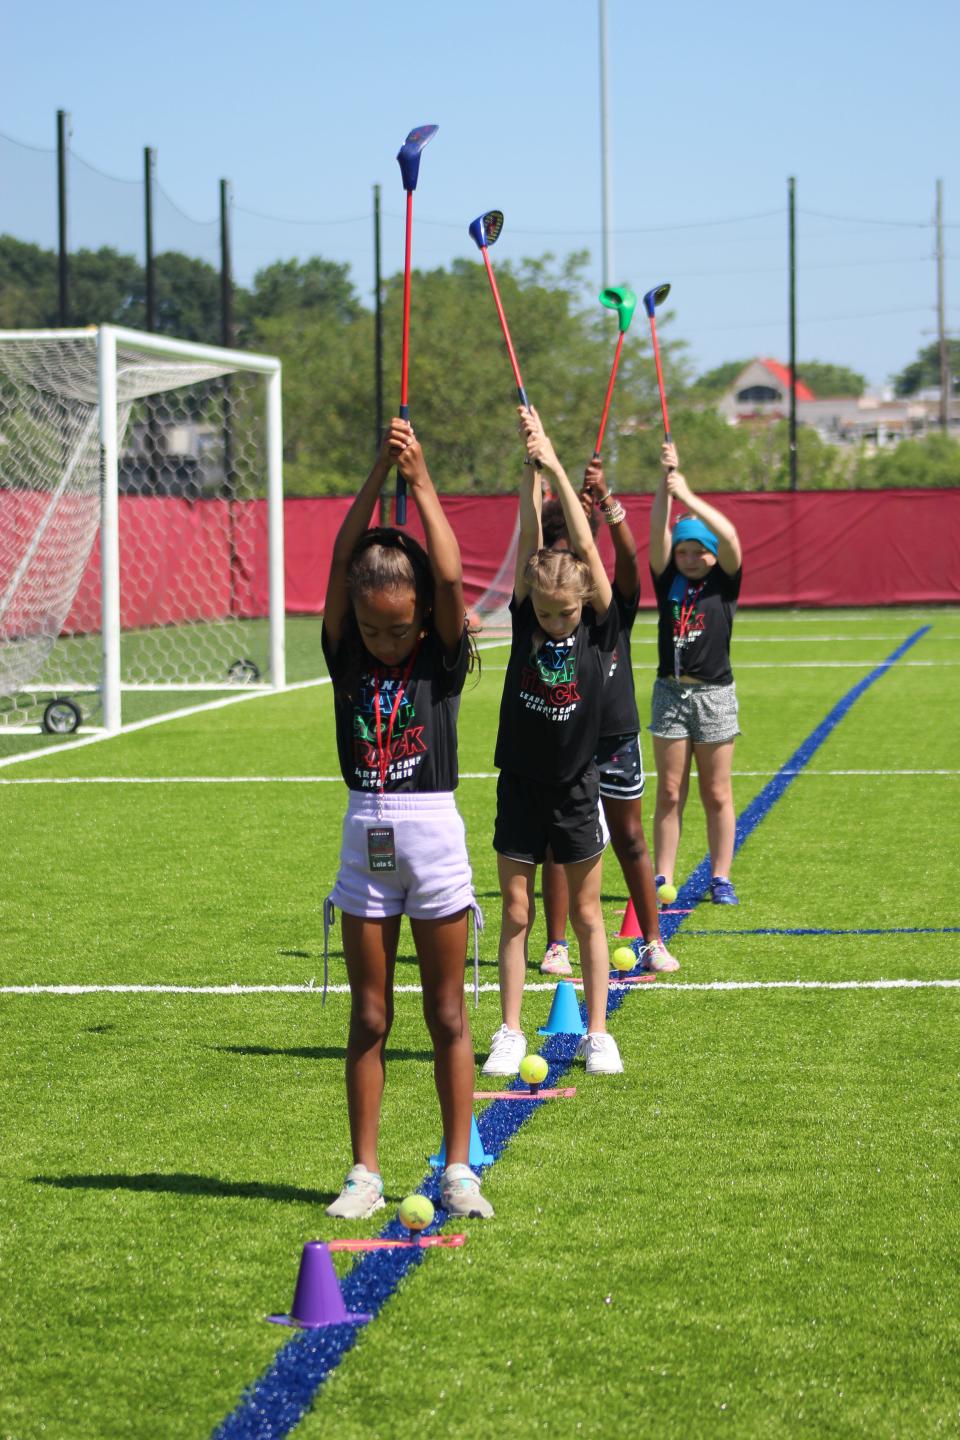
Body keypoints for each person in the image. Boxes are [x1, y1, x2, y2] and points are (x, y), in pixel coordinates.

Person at [321, 418, 493, 1220]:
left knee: (449, 1010)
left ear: (423, 621)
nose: (384, 643)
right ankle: (363, 1172)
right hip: (365, 839)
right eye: (370, 628)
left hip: (433, 836)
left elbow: (454, 580)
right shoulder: (347, 654)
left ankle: (459, 1170)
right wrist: (374, 473)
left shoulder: (440, 657)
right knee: (370, 1011)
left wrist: (420, 480)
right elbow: (338, 562)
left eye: (398, 629)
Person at [483, 407, 624, 1078]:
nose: (558, 620)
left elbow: (591, 558)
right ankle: (509, 1030)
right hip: (520, 780)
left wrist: (560, 469)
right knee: (515, 909)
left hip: (576, 787)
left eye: (565, 612)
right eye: (547, 613)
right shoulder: (524, 614)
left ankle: (597, 1032)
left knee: (589, 913)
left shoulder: (597, 623)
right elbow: (528, 535)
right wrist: (528, 469)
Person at [538, 462, 679, 977]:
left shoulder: (614, 606)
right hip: (564, 741)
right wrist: (537, 484)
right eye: (552, 559)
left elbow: (624, 558)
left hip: (616, 738)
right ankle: (557, 945)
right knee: (558, 844)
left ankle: (653, 940)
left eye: (571, 557)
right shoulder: (542, 615)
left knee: (630, 838)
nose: (563, 569)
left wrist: (606, 504)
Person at [648, 442, 743, 905]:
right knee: (668, 790)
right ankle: (661, 878)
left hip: (715, 696)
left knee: (717, 792)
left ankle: (720, 876)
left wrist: (688, 494)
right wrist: (666, 485)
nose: (688, 558)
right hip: (670, 693)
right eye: (682, 550)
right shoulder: (669, 580)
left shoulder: (724, 581)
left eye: (696, 551)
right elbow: (655, 539)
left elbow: (729, 537)